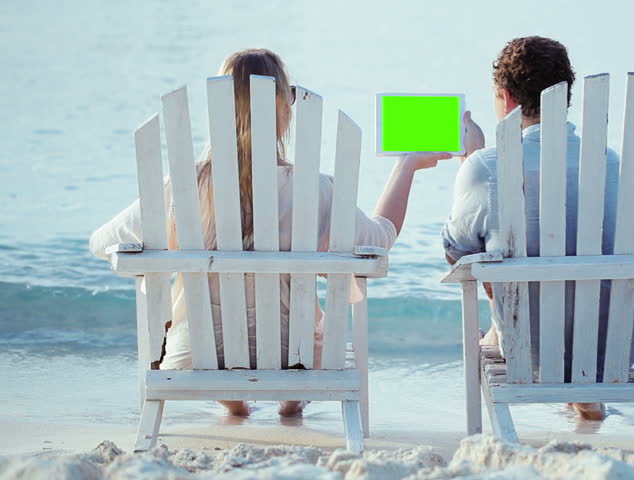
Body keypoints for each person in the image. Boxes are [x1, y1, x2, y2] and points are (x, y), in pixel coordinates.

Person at [90, 48, 451, 417]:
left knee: (210, 333)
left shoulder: (181, 188)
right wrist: (406, 165)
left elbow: (101, 243)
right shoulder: (316, 191)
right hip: (293, 355)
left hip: (196, 354)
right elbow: (381, 240)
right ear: (284, 108)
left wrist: (162, 248)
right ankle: (291, 400)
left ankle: (234, 403)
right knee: (308, 334)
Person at [442, 36, 621, 421]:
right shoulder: (609, 161)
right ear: (566, 96)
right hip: (611, 347)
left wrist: (468, 161)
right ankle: (587, 399)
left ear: (506, 99)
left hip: (528, 351)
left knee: (491, 274)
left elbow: (457, 253)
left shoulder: (485, 165)